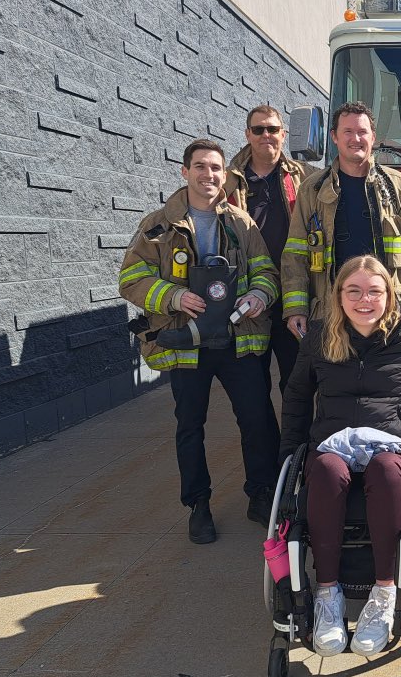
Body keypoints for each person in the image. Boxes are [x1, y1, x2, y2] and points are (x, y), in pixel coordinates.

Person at [279, 255, 401, 657]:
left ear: (388, 295)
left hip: (392, 446)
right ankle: (327, 595)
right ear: (339, 295)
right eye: (353, 290)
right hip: (333, 443)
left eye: (374, 291)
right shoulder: (320, 337)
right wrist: (290, 450)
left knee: (386, 471)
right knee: (323, 471)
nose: (364, 300)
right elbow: (297, 396)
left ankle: (384, 594)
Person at [119, 139, 281, 541]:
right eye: (200, 167)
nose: (209, 175)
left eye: (216, 168)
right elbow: (130, 279)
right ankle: (199, 505)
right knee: (190, 426)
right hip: (186, 344)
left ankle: (261, 495)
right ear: (185, 172)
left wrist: (259, 295)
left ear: (224, 175)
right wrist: (173, 296)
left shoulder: (242, 224)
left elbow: (267, 273)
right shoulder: (157, 227)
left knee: (257, 421)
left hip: (237, 341)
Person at [222, 106, 318, 518]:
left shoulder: (306, 179)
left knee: (300, 395)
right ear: (247, 134)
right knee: (253, 404)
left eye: (274, 130)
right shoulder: (226, 181)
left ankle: (305, 478)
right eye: (259, 130)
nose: (267, 136)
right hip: (249, 308)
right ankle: (263, 489)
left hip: (295, 304)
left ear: (284, 134)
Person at [281, 101, 401, 337]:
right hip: (330, 314)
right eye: (348, 131)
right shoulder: (311, 190)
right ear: (334, 137)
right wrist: (296, 308)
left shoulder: (399, 186)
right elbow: (295, 254)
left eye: (362, 132)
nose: (356, 138)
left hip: (388, 312)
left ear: (373, 137)